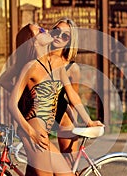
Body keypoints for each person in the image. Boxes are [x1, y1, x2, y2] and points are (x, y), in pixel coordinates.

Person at [7, 23, 103, 176]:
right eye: (44, 31)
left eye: (63, 35)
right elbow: (12, 104)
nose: (52, 34)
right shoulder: (31, 66)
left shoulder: (58, 64)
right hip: (33, 129)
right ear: (35, 40)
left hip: (43, 132)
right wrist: (31, 132)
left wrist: (89, 121)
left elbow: (72, 94)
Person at [50, 17, 80, 166]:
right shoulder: (38, 57)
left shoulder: (71, 68)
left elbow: (73, 96)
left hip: (62, 115)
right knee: (34, 170)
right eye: (56, 31)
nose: (59, 36)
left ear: (70, 40)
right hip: (40, 116)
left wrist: (76, 125)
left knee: (71, 163)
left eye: (65, 35)